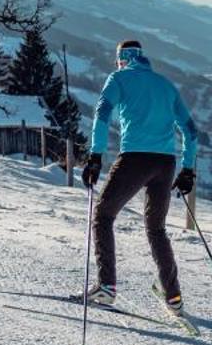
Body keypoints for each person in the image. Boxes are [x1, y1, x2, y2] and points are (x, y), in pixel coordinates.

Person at [81, 39, 199, 315]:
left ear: (121, 58)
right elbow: (191, 132)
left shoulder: (118, 78)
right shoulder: (165, 84)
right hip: (166, 163)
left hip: (134, 158)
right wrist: (188, 169)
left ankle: (106, 286)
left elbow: (102, 115)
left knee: (103, 215)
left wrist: (95, 156)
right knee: (156, 228)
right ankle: (173, 296)